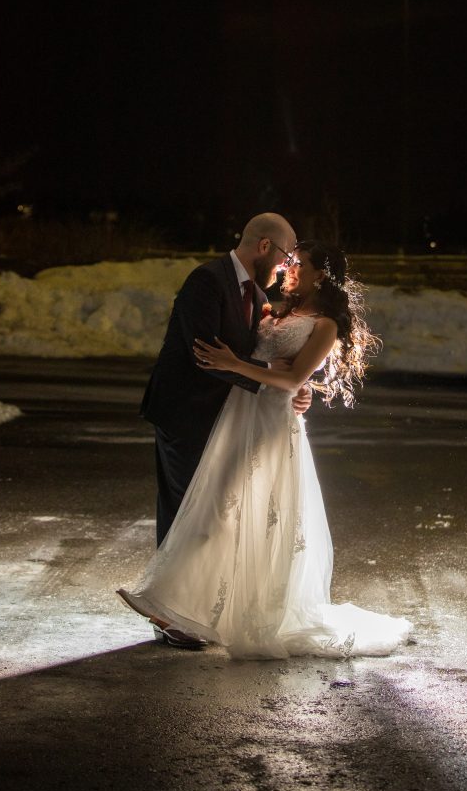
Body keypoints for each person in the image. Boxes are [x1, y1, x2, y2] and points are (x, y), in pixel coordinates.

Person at [119, 239, 412, 658]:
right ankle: (185, 605)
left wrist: (237, 365)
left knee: (239, 509)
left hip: (272, 423)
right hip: (240, 414)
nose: (290, 269)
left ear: (321, 275)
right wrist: (261, 371)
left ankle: (179, 604)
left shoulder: (325, 324)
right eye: (289, 261)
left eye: (299, 264)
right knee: (219, 507)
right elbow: (277, 365)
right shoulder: (278, 309)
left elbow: (293, 377)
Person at [139, 212, 311, 647]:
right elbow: (206, 355)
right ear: (265, 246)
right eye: (287, 256)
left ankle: (191, 609)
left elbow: (245, 355)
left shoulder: (254, 293)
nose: (287, 267)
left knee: (212, 514)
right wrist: (271, 375)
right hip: (185, 414)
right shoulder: (208, 281)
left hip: (223, 419)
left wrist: (289, 391)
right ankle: (169, 616)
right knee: (184, 510)